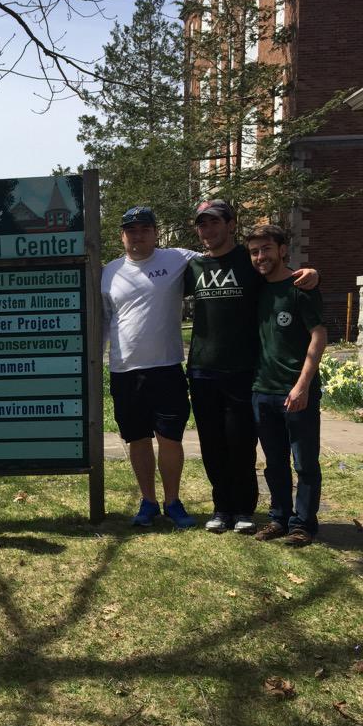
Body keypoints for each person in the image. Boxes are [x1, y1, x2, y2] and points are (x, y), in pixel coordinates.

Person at [184, 199, 318, 534]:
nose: (208, 230)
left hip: (244, 371)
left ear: (230, 225)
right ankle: (221, 508)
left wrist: (313, 273)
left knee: (241, 444)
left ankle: (244, 509)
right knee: (212, 446)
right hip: (202, 370)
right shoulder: (193, 267)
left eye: (215, 222)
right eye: (202, 224)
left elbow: (283, 276)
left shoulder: (250, 261)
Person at [101, 206, 198, 528]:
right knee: (137, 439)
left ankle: (173, 501)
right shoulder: (109, 272)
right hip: (124, 371)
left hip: (167, 367)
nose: (137, 235)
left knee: (170, 438)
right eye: (131, 230)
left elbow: (224, 260)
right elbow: (103, 321)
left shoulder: (177, 259)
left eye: (144, 229)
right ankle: (148, 502)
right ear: (122, 235)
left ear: (156, 233)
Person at [247, 225, 326, 546]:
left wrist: (303, 385)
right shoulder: (257, 288)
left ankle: (303, 524)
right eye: (254, 251)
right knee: (274, 462)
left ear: (282, 249)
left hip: (297, 391)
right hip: (262, 390)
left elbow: (319, 336)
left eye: (266, 249)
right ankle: (279, 518)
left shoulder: (301, 287)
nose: (260, 257)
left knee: (304, 462)